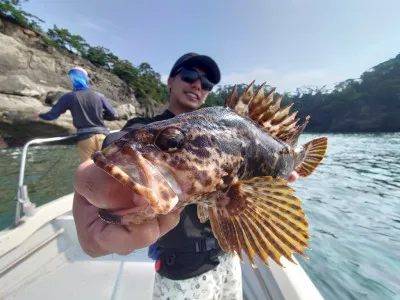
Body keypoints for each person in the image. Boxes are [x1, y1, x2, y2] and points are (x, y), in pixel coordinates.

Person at [73, 53, 299, 300]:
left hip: (229, 258)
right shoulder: (145, 125)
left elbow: (268, 207)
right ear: (170, 81)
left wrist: (279, 181)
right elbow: (123, 139)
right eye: (189, 76)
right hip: (182, 268)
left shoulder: (221, 126)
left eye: (206, 83)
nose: (197, 85)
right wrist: (97, 176)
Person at [35, 66, 116, 163]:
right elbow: (112, 113)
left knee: (88, 170)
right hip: (103, 136)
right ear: (86, 79)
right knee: (110, 167)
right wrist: (100, 115)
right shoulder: (99, 95)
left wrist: (39, 115)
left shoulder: (68, 97)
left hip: (85, 139)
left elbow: (52, 115)